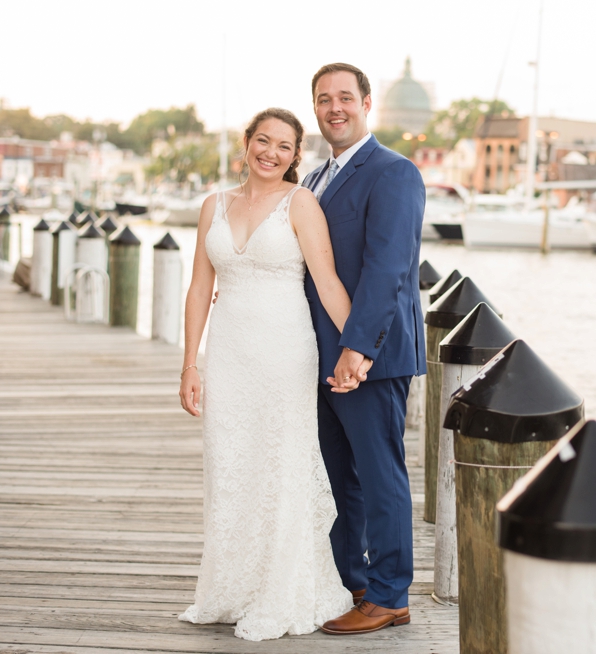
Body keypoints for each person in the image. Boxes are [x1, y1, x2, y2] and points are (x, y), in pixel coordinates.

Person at [177, 108, 354, 641]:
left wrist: (359, 352)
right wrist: (191, 363)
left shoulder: (300, 203)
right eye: (263, 140)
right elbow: (197, 289)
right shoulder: (214, 205)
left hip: (284, 353)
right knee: (231, 464)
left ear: (296, 157)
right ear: (247, 143)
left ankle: (282, 591)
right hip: (229, 354)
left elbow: (326, 282)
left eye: (283, 146)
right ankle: (231, 588)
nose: (270, 153)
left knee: (280, 463)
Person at [302, 63, 426, 635]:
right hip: (318, 356)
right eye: (324, 99)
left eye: (345, 97)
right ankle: (354, 582)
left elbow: (388, 269)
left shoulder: (393, 173)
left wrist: (358, 349)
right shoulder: (314, 178)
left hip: (368, 357)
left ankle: (390, 594)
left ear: (367, 103)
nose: (335, 108)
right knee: (337, 478)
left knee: (380, 478)